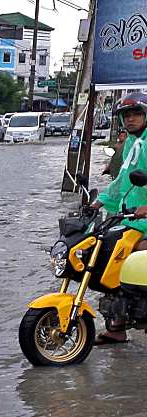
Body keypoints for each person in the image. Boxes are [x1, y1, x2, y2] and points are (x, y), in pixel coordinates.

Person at [88, 92, 147, 344]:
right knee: (112, 260)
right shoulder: (132, 145)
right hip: (129, 219)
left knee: (139, 258)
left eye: (136, 114)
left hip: (144, 221)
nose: (130, 119)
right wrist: (97, 202)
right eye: (126, 115)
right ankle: (117, 326)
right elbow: (121, 183)